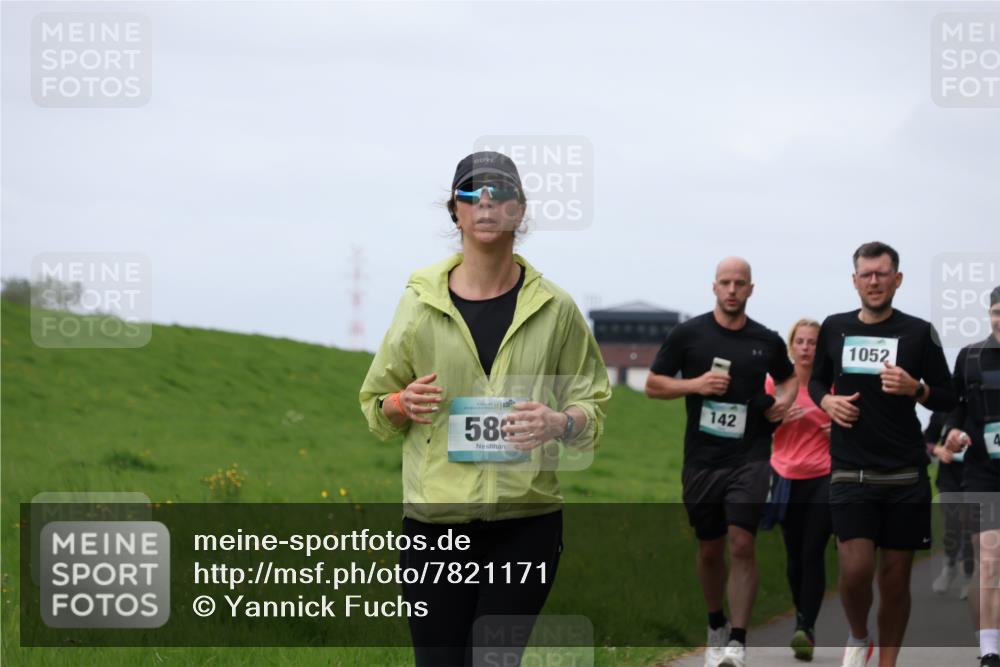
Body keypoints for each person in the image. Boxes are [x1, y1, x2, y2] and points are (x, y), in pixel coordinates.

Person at [358, 150, 610, 667]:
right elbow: (375, 404)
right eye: (473, 192)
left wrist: (560, 421)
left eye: (502, 192)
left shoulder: (556, 308)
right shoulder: (419, 302)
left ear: (520, 211)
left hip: (527, 524)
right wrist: (402, 403)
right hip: (435, 525)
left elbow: (593, 404)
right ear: (455, 211)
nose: (487, 202)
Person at [808, 241, 956, 667]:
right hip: (850, 472)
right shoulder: (834, 328)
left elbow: (947, 397)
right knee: (855, 573)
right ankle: (859, 635)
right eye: (866, 274)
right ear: (854, 280)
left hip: (904, 475)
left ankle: (888, 663)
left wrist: (918, 389)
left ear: (898, 279)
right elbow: (817, 381)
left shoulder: (919, 332)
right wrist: (826, 402)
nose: (874, 281)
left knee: (895, 581)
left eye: (882, 273)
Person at [646, 257, 798, 667]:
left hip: (750, 456)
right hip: (702, 460)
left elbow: (788, 378)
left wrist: (783, 403)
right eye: (725, 283)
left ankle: (738, 640)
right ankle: (716, 622)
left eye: (740, 283)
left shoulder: (766, 340)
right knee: (710, 549)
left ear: (751, 289)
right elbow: (653, 385)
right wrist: (696, 384)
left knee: (742, 542)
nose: (732, 290)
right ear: (714, 287)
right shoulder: (689, 334)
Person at [765, 318, 832, 662]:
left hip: (823, 476)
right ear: (791, 347)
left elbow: (851, 424)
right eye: (801, 342)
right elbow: (757, 428)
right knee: (793, 557)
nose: (807, 348)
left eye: (813, 342)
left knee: (812, 552)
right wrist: (776, 419)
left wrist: (837, 431)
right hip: (785, 476)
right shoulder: (774, 383)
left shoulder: (829, 386)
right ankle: (801, 617)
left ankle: (806, 628)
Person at [943, 286, 1000, 667]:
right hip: (983, 471)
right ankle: (989, 650)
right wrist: (953, 430)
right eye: (997, 311)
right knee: (990, 560)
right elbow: (955, 407)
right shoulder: (970, 357)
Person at [926, 410, 975, 599]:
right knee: (952, 525)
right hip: (949, 478)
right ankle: (950, 566)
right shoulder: (942, 412)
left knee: (972, 527)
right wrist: (937, 450)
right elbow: (925, 441)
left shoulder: (982, 406)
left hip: (976, 476)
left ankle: (969, 576)